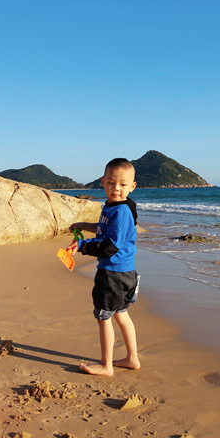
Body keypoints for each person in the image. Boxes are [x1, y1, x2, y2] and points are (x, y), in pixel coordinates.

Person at [66, 158, 141, 377]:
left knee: (104, 316)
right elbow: (104, 229)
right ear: (103, 182)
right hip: (125, 272)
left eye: (123, 184)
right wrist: (83, 226)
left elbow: (110, 246)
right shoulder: (114, 207)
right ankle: (132, 358)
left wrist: (82, 246)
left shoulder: (121, 211)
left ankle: (106, 365)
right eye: (111, 183)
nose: (116, 188)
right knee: (121, 314)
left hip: (113, 274)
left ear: (132, 186)